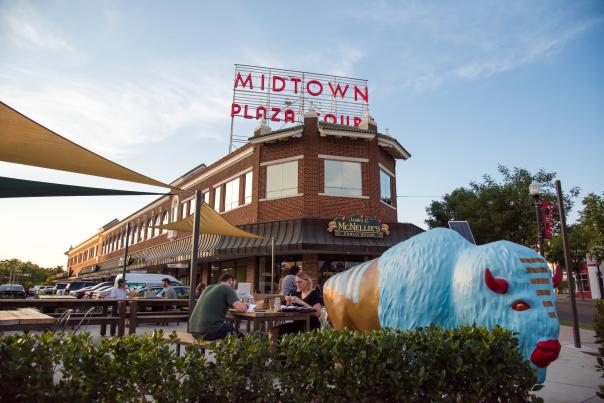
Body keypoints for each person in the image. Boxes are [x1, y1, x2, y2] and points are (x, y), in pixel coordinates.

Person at [189, 273, 248, 340]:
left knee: (228, 330)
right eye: (235, 284)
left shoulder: (208, 288)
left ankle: (224, 350)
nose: (235, 287)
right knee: (240, 337)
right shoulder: (227, 288)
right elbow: (241, 308)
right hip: (209, 331)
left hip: (194, 332)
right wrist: (246, 305)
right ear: (230, 281)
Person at [271, 271, 322, 338]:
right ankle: (275, 348)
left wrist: (301, 302)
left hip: (310, 325)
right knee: (274, 330)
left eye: (300, 282)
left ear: (307, 281)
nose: (298, 284)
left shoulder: (314, 294)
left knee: (279, 330)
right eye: (296, 282)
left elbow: (318, 313)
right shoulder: (296, 293)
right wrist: (288, 303)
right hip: (297, 323)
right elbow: (290, 308)